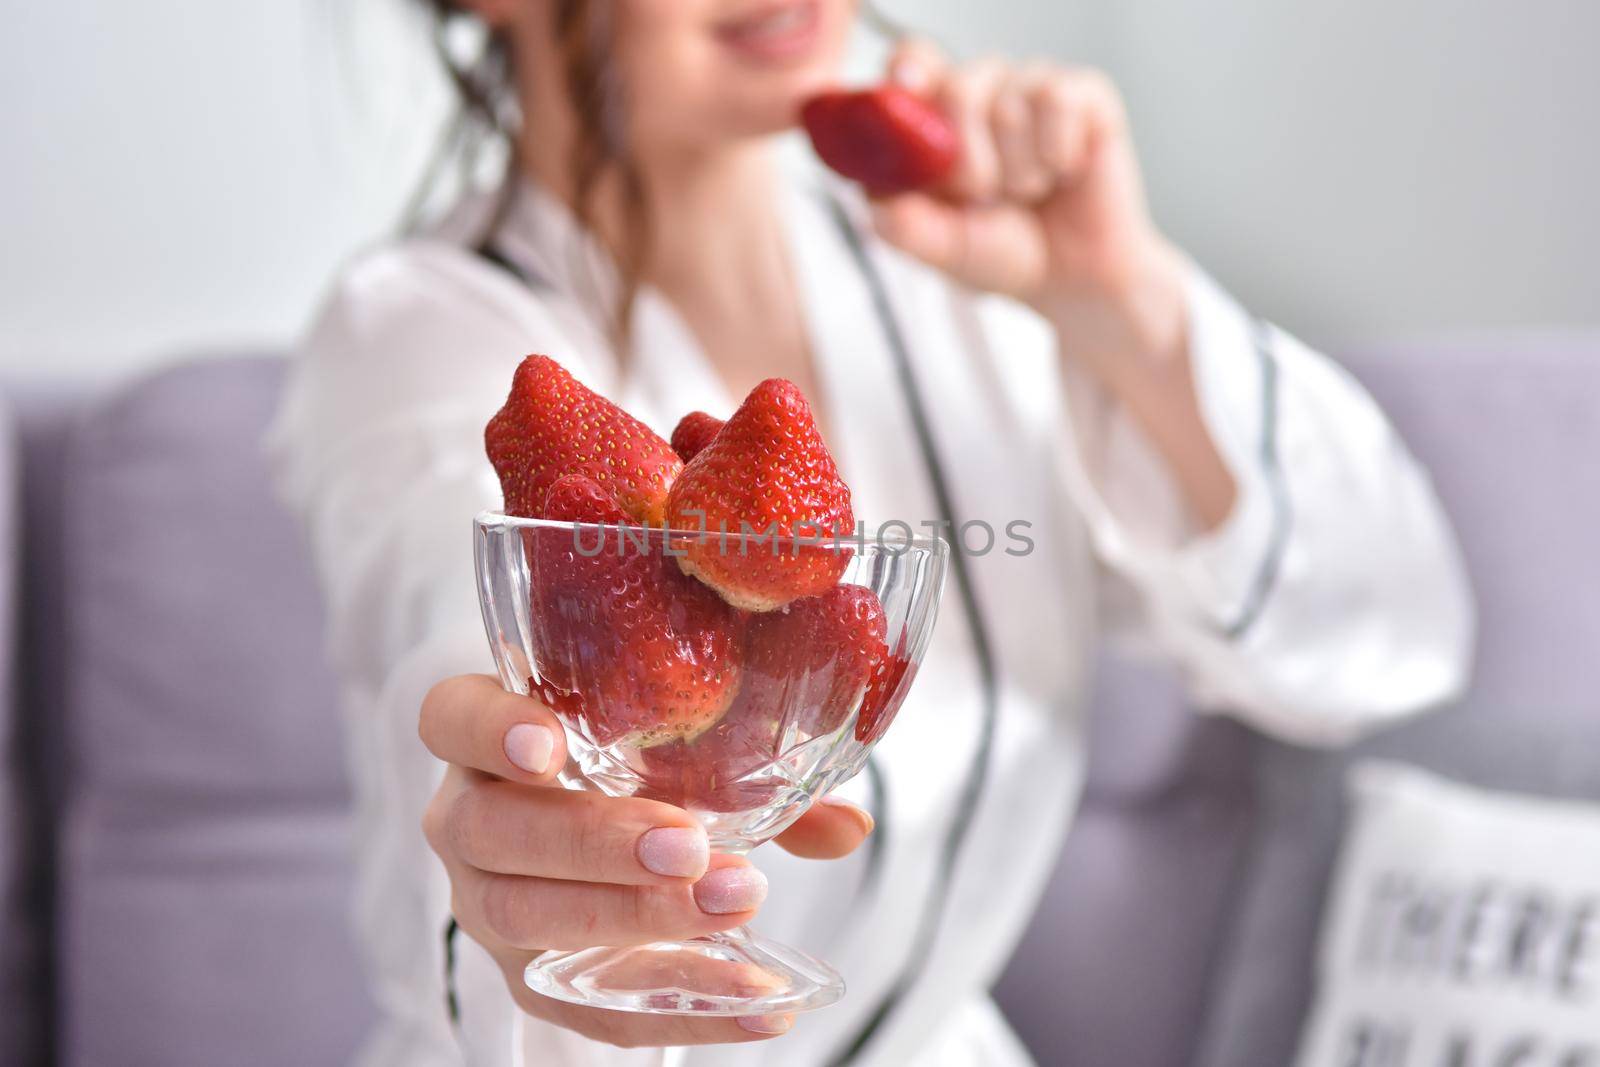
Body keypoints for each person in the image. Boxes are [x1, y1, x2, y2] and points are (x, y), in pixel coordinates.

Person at [267, 1, 1475, 1064]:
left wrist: (1123, 300)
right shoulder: (426, 333)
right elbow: (456, 633)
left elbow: (1387, 635)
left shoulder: (961, 279)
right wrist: (521, 850)